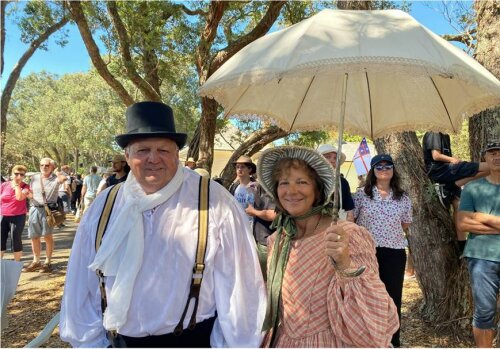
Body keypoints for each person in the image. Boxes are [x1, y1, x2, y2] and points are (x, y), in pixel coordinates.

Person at [60, 101, 266, 347]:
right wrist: (90, 343)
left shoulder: (214, 201)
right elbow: (81, 283)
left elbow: (240, 287)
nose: (153, 159)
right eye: (143, 150)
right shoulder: (104, 206)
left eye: (163, 150)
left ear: (177, 154)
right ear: (127, 155)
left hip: (192, 341)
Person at [257, 146, 398, 347]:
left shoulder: (347, 235)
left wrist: (345, 264)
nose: (291, 191)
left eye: (302, 182)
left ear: (317, 189)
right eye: (284, 183)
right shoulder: (277, 240)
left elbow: (374, 312)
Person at [353, 154, 413, 348]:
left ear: (393, 170)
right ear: (373, 171)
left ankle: (392, 341)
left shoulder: (403, 197)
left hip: (394, 252)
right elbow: (351, 220)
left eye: (388, 166)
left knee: (392, 297)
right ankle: (369, 339)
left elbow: (405, 224)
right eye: (379, 167)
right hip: (367, 252)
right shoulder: (362, 194)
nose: (384, 169)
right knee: (367, 296)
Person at [456, 140, 500, 348]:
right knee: (484, 312)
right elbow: (463, 223)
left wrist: (480, 217)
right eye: (492, 152)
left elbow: (470, 219)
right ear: (485, 158)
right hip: (482, 259)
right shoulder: (473, 188)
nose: (497, 156)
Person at [422, 131, 489, 213]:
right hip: (439, 170)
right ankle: (446, 186)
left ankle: (447, 187)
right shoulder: (434, 132)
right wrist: (452, 159)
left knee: (459, 205)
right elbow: (436, 155)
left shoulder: (445, 135)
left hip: (447, 172)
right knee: (491, 167)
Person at [25, 158, 67, 273]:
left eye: (47, 165)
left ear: (52, 167)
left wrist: (57, 172)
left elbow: (63, 178)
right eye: (42, 165)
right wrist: (28, 195)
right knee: (34, 237)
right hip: (34, 209)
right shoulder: (34, 178)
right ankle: (36, 261)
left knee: (47, 236)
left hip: (48, 211)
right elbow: (32, 192)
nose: (44, 167)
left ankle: (47, 262)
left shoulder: (55, 179)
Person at [1, 165, 32, 262]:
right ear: (12, 174)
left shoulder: (25, 187)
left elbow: (19, 198)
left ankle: (16, 262)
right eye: (16, 174)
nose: (18, 176)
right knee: (1, 239)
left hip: (18, 216)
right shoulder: (4, 185)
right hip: (3, 215)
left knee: (16, 239)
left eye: (21, 174)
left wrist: (17, 186)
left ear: (24, 176)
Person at [317, 144, 355, 221]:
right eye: (328, 157)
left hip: (336, 226)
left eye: (335, 158)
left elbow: (349, 212)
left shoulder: (342, 182)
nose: (333, 160)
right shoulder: (309, 180)